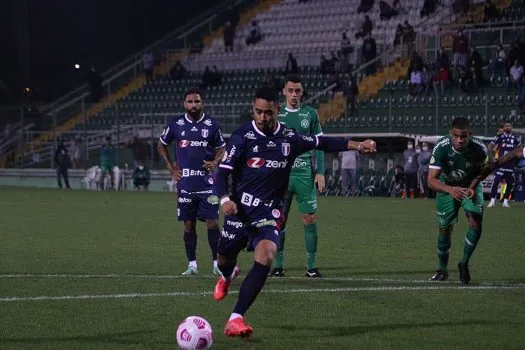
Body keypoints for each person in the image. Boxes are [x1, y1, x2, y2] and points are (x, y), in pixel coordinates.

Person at [212, 86, 376, 337]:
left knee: (266, 255)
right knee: (224, 258)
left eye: (268, 112)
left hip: (269, 213)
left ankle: (236, 317)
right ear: (253, 110)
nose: (263, 117)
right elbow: (221, 173)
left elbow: (322, 142)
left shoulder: (290, 137)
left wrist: (357, 145)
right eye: (258, 112)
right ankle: (227, 275)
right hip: (240, 211)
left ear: (277, 109)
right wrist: (224, 200)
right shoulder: (241, 137)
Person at [157, 87, 226, 276]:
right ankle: (192, 265)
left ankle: (216, 264)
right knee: (189, 225)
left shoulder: (212, 124)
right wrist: (171, 168)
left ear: (202, 103)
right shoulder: (176, 124)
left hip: (208, 184)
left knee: (212, 223)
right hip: (186, 184)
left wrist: (215, 162)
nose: (194, 105)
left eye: (197, 101)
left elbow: (222, 148)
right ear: (184, 104)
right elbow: (161, 144)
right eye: (190, 102)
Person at [270, 74, 325, 278]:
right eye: (290, 91)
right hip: (280, 173)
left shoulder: (310, 114)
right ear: (284, 92)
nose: (294, 95)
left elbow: (320, 145)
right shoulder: (276, 114)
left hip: (304, 172)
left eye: (297, 91)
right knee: (278, 220)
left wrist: (320, 172)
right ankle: (278, 266)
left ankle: (311, 267)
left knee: (309, 218)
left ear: (302, 92)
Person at [427, 117, 491, 284]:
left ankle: (464, 263)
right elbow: (431, 181)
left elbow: (486, 169)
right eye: (456, 136)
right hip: (447, 188)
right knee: (445, 229)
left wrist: (473, 185)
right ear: (451, 133)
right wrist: (450, 189)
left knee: (475, 222)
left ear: (469, 135)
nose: (460, 140)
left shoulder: (479, 149)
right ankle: (442, 269)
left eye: (463, 136)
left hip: (470, 186)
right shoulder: (441, 147)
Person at [487, 121, 521, 208]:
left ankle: (505, 202)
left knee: (509, 183)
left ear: (511, 127)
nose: (508, 127)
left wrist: (515, 157)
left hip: (510, 164)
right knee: (496, 181)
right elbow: (490, 146)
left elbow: (519, 149)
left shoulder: (515, 138)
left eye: (509, 126)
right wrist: (492, 158)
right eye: (506, 126)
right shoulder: (499, 137)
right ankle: (492, 201)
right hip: (501, 164)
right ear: (504, 128)